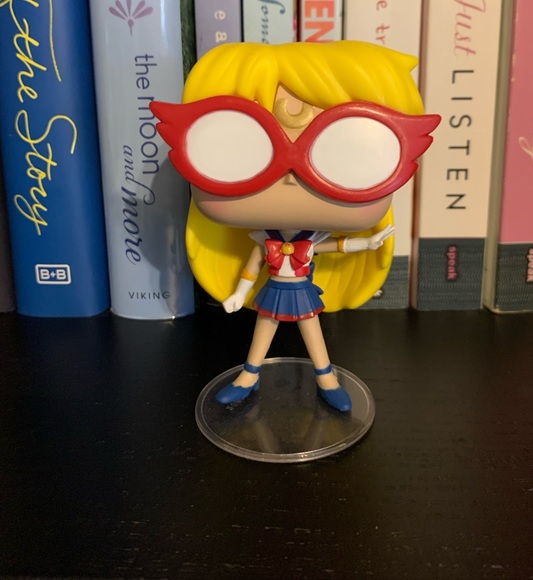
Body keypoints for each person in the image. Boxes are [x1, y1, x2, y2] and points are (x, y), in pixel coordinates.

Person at [151, 41, 439, 411]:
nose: (290, 175)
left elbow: (333, 247)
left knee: (311, 328)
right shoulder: (265, 240)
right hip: (273, 289)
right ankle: (249, 376)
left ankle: (326, 378)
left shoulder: (305, 242)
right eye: (240, 144)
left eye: (345, 147)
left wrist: (367, 244)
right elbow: (254, 264)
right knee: (265, 326)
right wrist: (240, 291)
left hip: (302, 290)